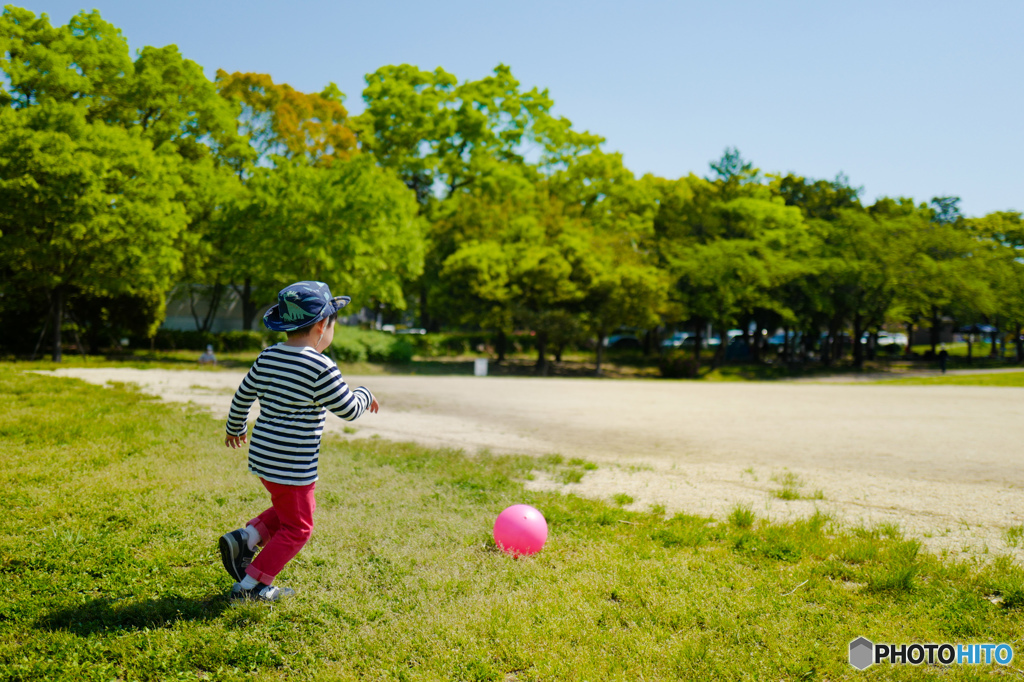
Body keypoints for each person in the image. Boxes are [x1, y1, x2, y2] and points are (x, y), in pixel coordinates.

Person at [218, 281, 379, 602]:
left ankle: (247, 538)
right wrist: (365, 394)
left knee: (292, 509)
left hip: (264, 458)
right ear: (322, 326)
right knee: (299, 528)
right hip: (293, 464)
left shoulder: (269, 356)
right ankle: (252, 586)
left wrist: (235, 427)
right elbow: (348, 409)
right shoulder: (320, 366)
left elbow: (243, 395)